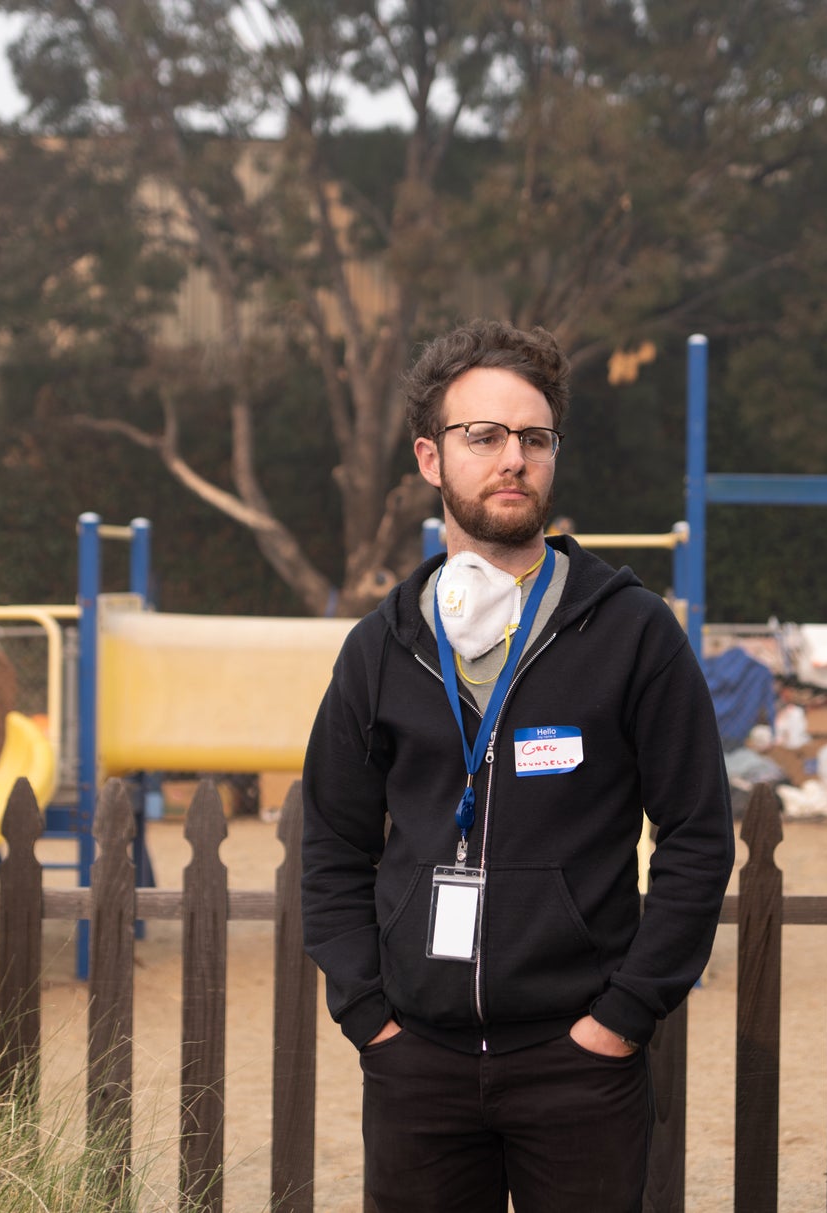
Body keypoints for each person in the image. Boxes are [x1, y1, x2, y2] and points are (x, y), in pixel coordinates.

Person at [301, 318, 734, 1213]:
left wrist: (620, 1018)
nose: (514, 459)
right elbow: (333, 846)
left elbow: (697, 834)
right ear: (431, 457)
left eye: (535, 438)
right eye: (484, 436)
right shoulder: (382, 647)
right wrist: (370, 1019)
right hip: (416, 1064)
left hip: (578, 1066)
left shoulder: (630, 631)